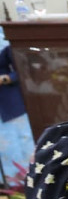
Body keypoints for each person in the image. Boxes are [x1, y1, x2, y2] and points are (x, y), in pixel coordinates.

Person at [0, 26, 35, 182]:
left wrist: (5, 79)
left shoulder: (4, 39)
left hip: (8, 98)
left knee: (20, 138)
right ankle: (5, 182)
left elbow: (22, 67)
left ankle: (27, 179)